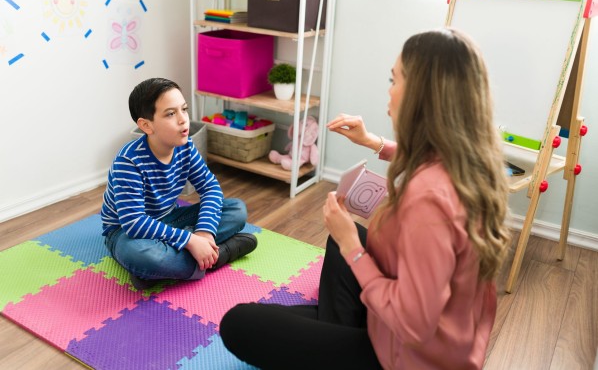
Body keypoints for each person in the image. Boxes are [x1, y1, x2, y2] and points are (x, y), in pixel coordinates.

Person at [219, 28, 511, 369]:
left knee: (238, 322)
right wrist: (374, 142)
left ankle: (339, 345)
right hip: (446, 334)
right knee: (340, 243)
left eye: (394, 79)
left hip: (410, 355)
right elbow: (429, 156)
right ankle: (338, 336)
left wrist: (351, 246)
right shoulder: (470, 158)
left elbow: (415, 324)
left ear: (421, 95)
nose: (389, 91)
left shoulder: (429, 200)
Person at [101, 77, 257, 291]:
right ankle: (218, 255)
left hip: (170, 220)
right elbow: (134, 223)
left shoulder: (186, 147)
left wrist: (204, 233)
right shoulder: (128, 162)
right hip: (126, 233)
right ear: (146, 125)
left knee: (236, 209)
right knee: (140, 254)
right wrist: (190, 241)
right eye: (170, 114)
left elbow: (210, 188)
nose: (183, 120)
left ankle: (160, 271)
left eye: (184, 109)